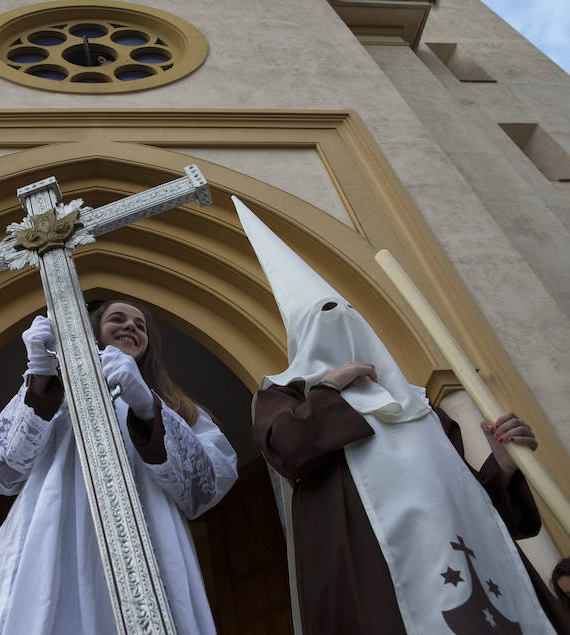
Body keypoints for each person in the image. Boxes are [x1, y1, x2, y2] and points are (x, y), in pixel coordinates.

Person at [232, 196, 564, 634]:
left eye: (345, 313)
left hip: (457, 564)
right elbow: (288, 449)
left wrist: (502, 467)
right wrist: (331, 386)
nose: (339, 326)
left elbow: (470, 507)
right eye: (323, 317)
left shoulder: (419, 407)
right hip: (373, 565)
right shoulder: (285, 394)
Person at [0, 300, 238, 634]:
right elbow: (1, 470)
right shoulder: (54, 389)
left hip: (149, 533)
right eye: (118, 319)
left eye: (140, 326)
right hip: (54, 531)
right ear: (95, 330)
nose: (131, 327)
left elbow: (205, 487)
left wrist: (148, 409)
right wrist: (39, 378)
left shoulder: (180, 408)